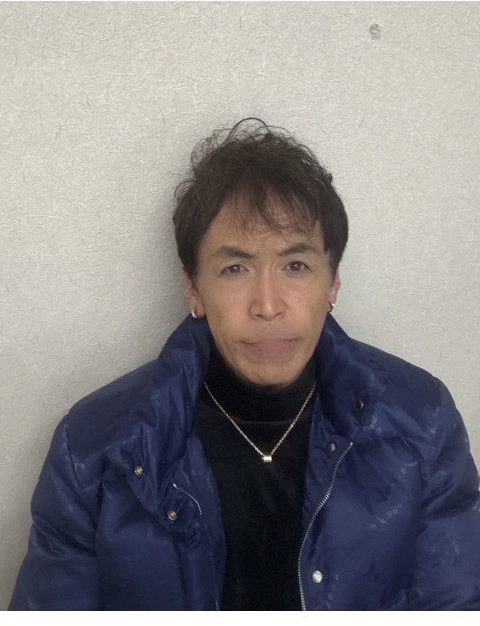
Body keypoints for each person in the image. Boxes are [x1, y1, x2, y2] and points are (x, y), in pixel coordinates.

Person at [9, 118, 480, 611]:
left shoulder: (421, 420)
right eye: (235, 269)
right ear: (193, 288)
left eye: (295, 266)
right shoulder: (93, 446)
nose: (268, 305)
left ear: (333, 282)